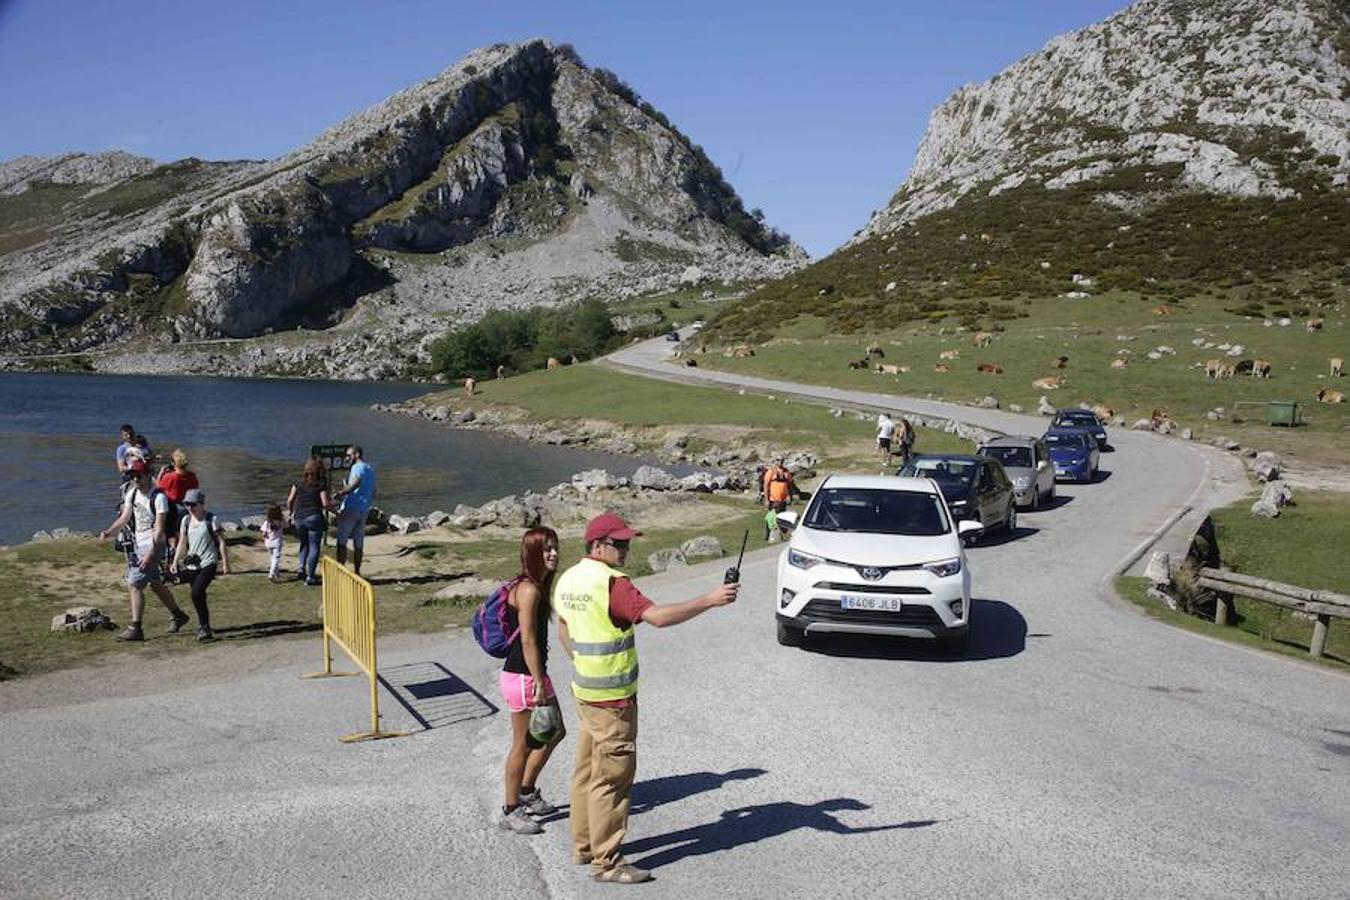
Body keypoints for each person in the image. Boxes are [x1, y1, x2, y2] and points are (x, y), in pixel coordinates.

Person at [556, 513, 738, 884]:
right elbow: (658, 617)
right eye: (619, 543)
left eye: (627, 542)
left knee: (587, 770)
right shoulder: (613, 584)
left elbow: (563, 628)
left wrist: (582, 661)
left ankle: (584, 845)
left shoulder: (569, 578)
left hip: (585, 690)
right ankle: (607, 862)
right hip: (613, 699)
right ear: (598, 545)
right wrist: (709, 599)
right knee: (613, 779)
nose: (626, 549)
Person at [499, 527, 567, 836]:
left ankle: (526, 789)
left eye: (554, 548)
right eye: (546, 549)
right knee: (523, 745)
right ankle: (511, 809)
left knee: (554, 732)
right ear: (532, 553)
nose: (553, 554)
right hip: (525, 676)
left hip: (531, 675)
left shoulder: (532, 586)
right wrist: (539, 681)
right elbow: (528, 641)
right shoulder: (528, 590)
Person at [99, 459, 191, 641]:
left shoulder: (159, 498)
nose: (136, 480)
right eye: (133, 477)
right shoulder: (132, 493)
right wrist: (109, 532)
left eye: (139, 476)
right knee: (155, 583)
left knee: (134, 583)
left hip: (154, 544)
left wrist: (150, 554)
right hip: (139, 544)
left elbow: (159, 528)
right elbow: (125, 517)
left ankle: (136, 628)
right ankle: (178, 615)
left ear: (149, 475)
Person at [170, 489, 230, 642]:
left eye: (192, 504)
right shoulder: (186, 521)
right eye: (186, 504)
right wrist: (175, 561)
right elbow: (182, 542)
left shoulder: (212, 519)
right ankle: (205, 627)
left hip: (209, 563)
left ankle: (204, 627)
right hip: (192, 565)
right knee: (199, 597)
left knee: (196, 593)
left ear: (201, 504)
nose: (189, 507)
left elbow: (222, 542)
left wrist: (225, 564)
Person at [331, 445, 375, 575]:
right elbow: (373, 490)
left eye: (349, 455)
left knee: (342, 541)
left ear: (357, 454)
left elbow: (355, 484)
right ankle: (357, 571)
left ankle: (340, 571)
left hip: (351, 508)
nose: (347, 458)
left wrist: (340, 493)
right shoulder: (370, 469)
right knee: (358, 542)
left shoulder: (357, 467)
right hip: (364, 509)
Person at [287, 458, 331, 585]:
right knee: (314, 546)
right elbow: (325, 503)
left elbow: (290, 500)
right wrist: (337, 513)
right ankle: (310, 576)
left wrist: (290, 512)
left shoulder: (298, 483)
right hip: (314, 517)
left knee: (304, 543)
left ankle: (301, 568)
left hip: (299, 518)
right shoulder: (320, 484)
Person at [156, 449, 199, 552]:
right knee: (183, 531)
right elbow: (196, 487)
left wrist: (161, 473)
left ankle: (173, 550)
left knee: (171, 532)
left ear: (173, 463)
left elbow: (158, 486)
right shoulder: (192, 475)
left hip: (173, 507)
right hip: (188, 507)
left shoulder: (170, 476)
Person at [262, 505, 285, 583]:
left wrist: (264, 537)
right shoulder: (281, 521)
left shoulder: (267, 522)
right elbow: (287, 525)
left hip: (268, 543)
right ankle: (271, 574)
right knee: (276, 559)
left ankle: (277, 573)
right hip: (277, 543)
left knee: (272, 557)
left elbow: (263, 533)